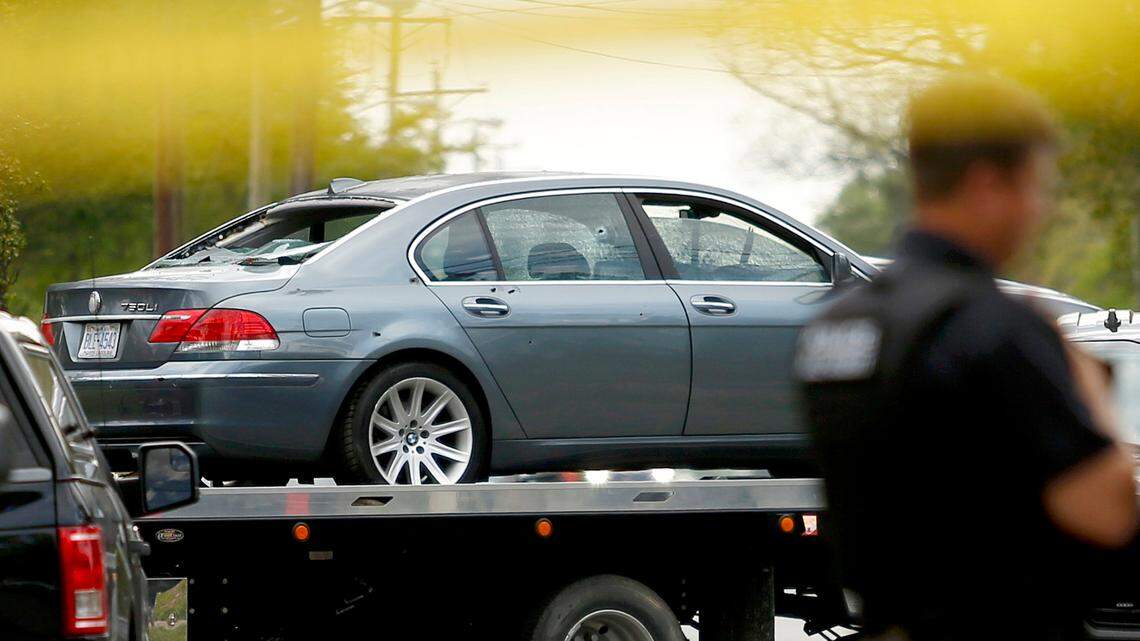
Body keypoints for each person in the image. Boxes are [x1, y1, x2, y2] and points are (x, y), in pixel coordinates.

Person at [795, 75, 1138, 640]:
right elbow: (1107, 512)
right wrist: (1088, 383)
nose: (1043, 210)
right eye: (1036, 187)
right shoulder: (993, 326)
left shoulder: (837, 324)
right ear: (986, 185)